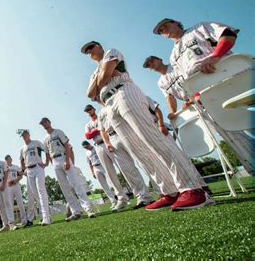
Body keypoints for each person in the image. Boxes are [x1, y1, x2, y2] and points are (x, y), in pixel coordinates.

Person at [81, 40, 213, 211]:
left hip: (124, 92)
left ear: (99, 46)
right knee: (138, 150)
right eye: (87, 51)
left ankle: (193, 188)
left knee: (152, 139)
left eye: (91, 47)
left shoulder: (111, 52)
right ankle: (169, 191)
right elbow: (90, 93)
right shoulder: (94, 72)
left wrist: (102, 78)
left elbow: (106, 76)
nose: (90, 52)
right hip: (108, 104)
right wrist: (101, 78)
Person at [146, 19, 255, 174]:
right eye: (160, 31)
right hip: (208, 95)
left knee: (249, 120)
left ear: (176, 23)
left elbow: (228, 34)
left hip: (232, 80)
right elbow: (187, 81)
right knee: (232, 132)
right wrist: (194, 97)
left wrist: (215, 56)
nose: (163, 29)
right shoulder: (173, 56)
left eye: (165, 25)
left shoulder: (198, 28)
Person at [84, 104, 153, 210]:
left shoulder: (101, 117)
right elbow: (87, 136)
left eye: (90, 109)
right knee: (110, 173)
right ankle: (121, 198)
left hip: (109, 141)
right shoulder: (88, 124)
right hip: (98, 146)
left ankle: (140, 193)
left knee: (124, 168)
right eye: (87, 111)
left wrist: (96, 131)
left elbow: (105, 128)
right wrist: (96, 131)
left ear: (93, 109)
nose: (89, 112)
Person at [40, 117, 96, 220]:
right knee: (65, 188)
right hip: (55, 161)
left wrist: (67, 160)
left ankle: (88, 209)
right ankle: (76, 211)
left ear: (49, 122)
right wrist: (50, 163)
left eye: (45, 122)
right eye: (42, 123)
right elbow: (47, 153)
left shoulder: (58, 132)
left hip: (63, 156)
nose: (44, 124)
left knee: (75, 184)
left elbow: (67, 145)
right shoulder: (45, 138)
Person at [19, 130, 52, 226]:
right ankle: (44, 216)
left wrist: (46, 162)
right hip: (29, 170)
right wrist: (23, 169)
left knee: (41, 190)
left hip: (38, 167)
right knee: (35, 194)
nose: (24, 136)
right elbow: (21, 160)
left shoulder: (36, 143)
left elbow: (46, 150)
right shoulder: (22, 148)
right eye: (23, 135)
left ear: (29, 135)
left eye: (25, 134)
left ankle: (46, 218)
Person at [81, 141, 117, 206]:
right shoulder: (87, 153)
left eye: (86, 146)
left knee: (112, 182)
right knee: (104, 186)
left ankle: (121, 198)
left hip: (103, 165)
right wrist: (92, 173)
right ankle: (113, 201)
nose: (86, 148)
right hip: (95, 167)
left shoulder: (96, 147)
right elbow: (89, 164)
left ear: (89, 144)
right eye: (84, 147)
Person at [4, 155, 28, 226]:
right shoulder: (5, 168)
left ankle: (24, 221)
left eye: (9, 159)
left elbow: (20, 175)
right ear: (6, 161)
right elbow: (3, 178)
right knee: (10, 205)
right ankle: (12, 223)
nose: (9, 160)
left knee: (20, 203)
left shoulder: (16, 167)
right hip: (9, 187)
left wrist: (16, 180)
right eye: (7, 160)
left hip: (16, 185)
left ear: (11, 159)